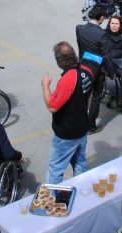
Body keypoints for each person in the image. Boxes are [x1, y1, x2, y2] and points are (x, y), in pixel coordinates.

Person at [42, 41, 93, 184]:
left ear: (59, 62)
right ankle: (80, 188)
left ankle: (52, 197)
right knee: (80, 163)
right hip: (82, 128)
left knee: (55, 170)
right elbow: (90, 96)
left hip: (67, 134)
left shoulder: (68, 79)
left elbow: (52, 107)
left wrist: (45, 85)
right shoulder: (86, 71)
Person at [76, 5, 106, 134]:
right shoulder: (102, 34)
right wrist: (111, 72)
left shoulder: (80, 29)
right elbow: (106, 56)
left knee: (83, 96)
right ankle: (91, 126)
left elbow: (80, 47)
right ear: (101, 18)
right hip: (97, 70)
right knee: (96, 98)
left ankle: (80, 122)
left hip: (83, 67)